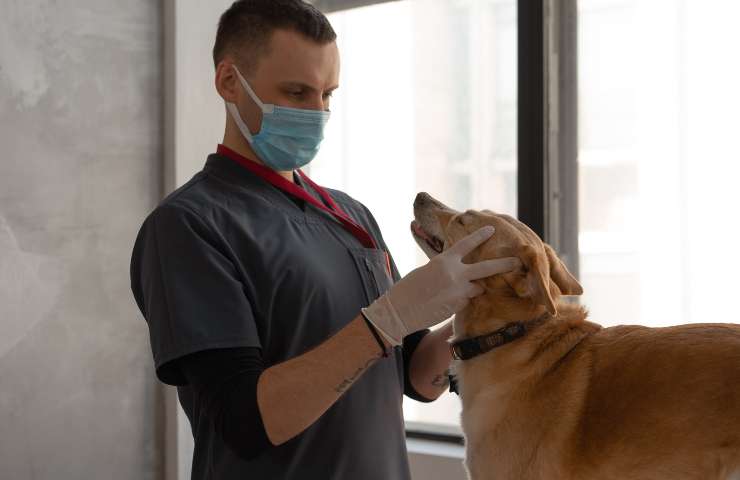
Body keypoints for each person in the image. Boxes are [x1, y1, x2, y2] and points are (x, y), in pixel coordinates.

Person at [129, 1, 519, 478]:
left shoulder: (350, 216)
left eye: (327, 95)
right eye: (296, 92)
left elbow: (414, 377)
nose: (317, 113)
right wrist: (387, 319)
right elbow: (246, 422)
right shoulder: (189, 226)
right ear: (229, 81)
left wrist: (479, 314)